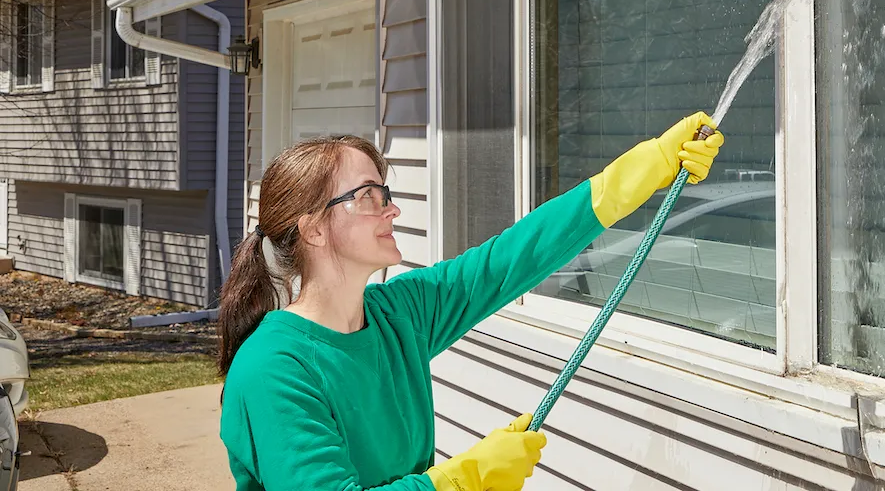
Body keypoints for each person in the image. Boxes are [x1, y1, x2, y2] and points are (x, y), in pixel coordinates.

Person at [217, 112, 724, 491]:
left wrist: (651, 165)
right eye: (368, 196)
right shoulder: (273, 370)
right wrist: (465, 479)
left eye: (385, 192)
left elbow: (511, 259)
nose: (392, 209)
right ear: (313, 230)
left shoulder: (400, 315)